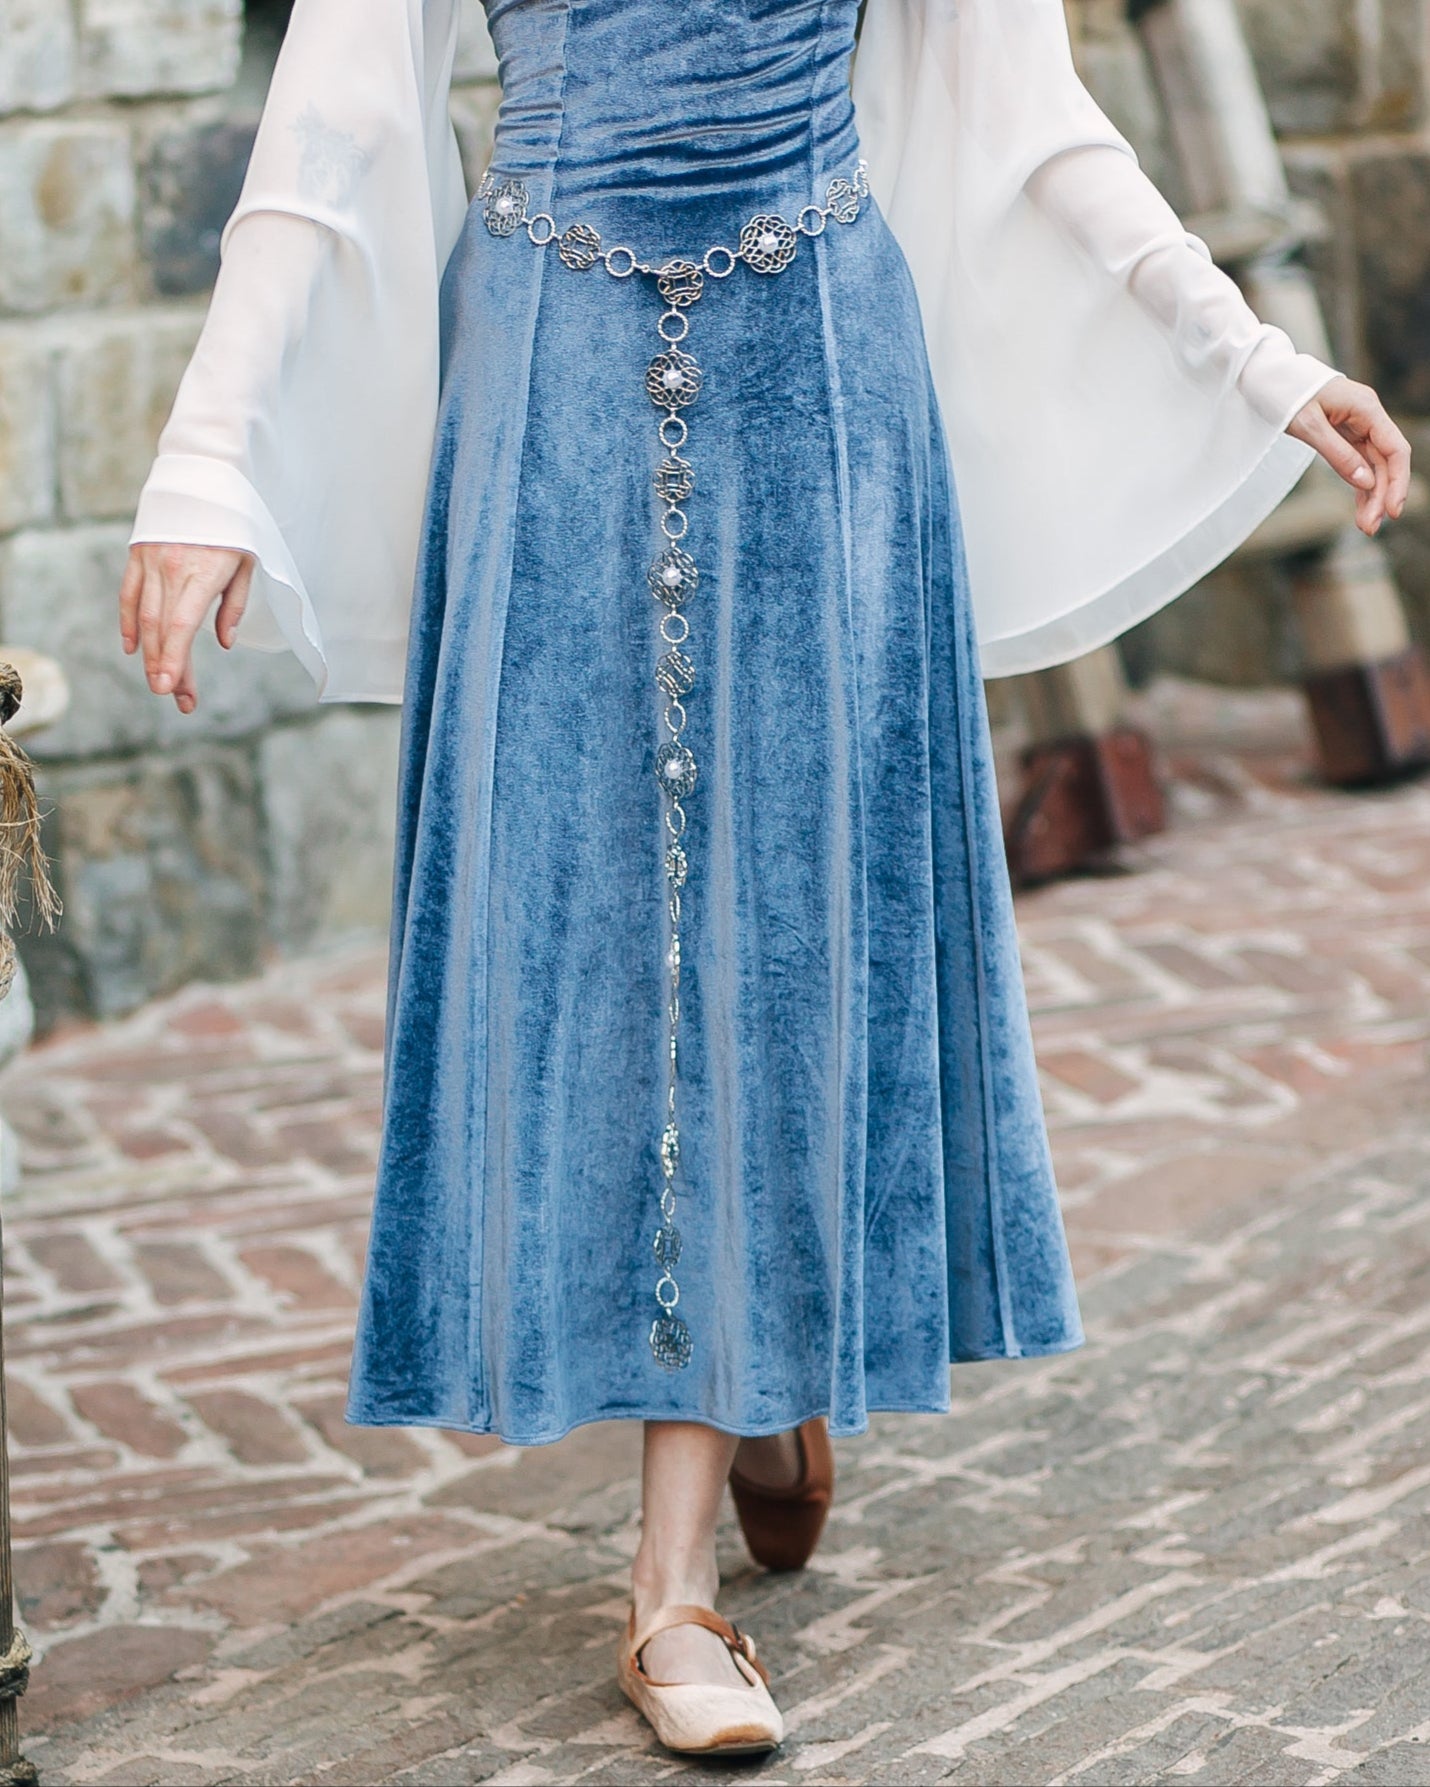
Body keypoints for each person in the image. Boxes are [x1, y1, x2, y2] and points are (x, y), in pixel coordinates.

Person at [117, 0, 1409, 1757]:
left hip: (819, 394)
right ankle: (752, 1372)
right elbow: (330, 122)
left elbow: (1035, 126)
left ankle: (671, 1592)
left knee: (772, 939)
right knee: (605, 941)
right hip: (548, 395)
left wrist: (1258, 362)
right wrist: (207, 463)